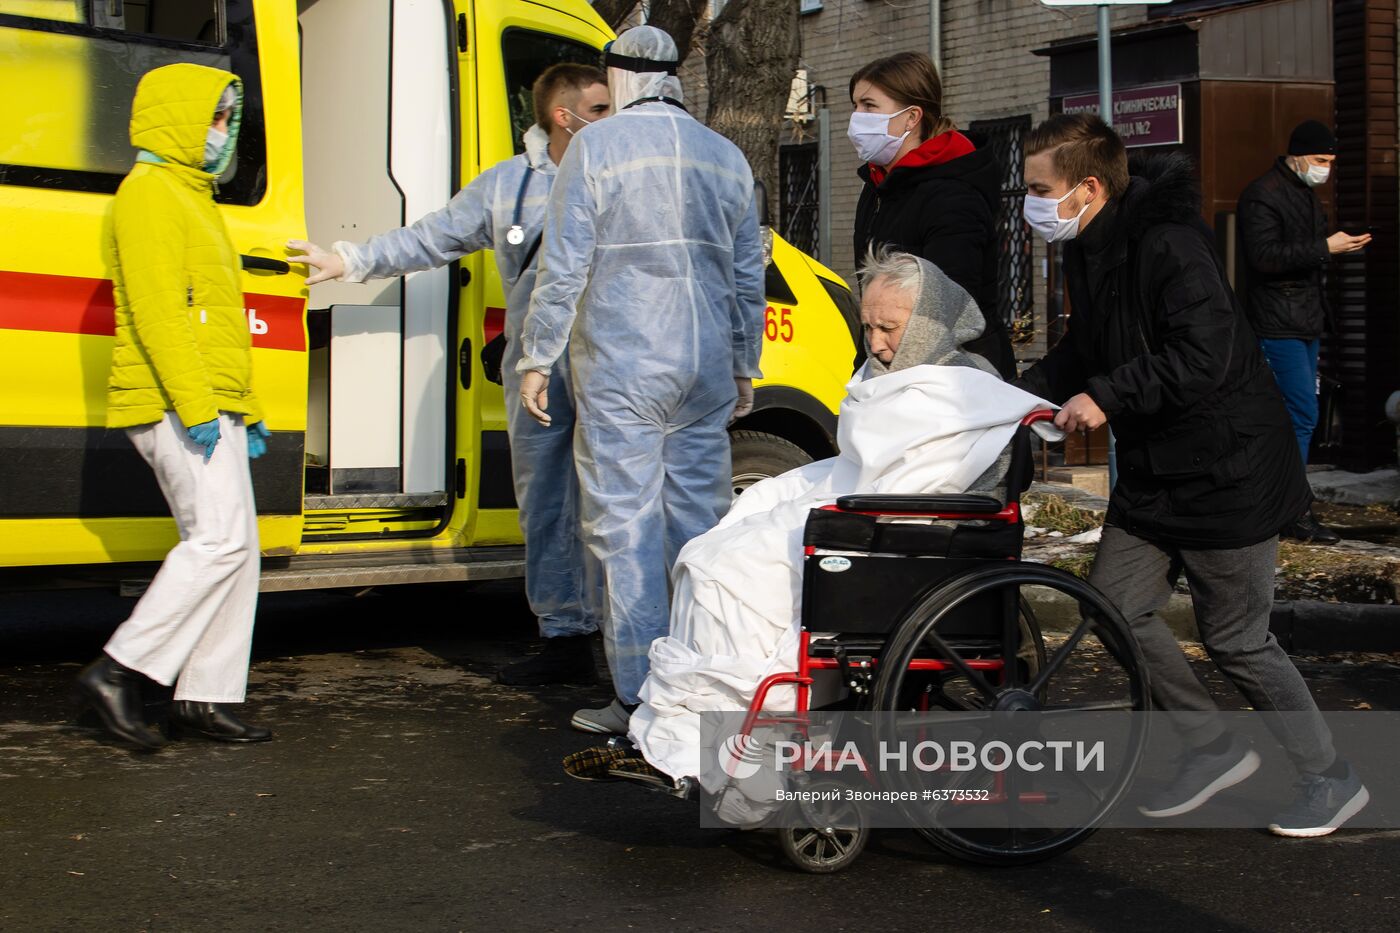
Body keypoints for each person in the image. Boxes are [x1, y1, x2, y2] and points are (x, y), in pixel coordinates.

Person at [561, 250, 1053, 790]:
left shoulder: (964, 391)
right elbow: (863, 465)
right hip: (870, 511)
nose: (876, 342)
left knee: (725, 572)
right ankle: (680, 732)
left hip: (907, 538)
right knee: (708, 550)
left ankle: (709, 744)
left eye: (889, 328)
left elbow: (920, 484)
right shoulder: (891, 372)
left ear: (929, 325)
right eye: (868, 326)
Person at [1015, 114, 1367, 838]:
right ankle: (1209, 747)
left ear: (1087, 187)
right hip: (1158, 470)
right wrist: (1024, 388)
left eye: (1038, 188)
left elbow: (1202, 355)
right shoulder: (1089, 245)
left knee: (1237, 636)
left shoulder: (1170, 244)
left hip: (1227, 466)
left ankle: (1331, 779)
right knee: (1113, 606)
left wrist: (1105, 395)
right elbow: (1090, 342)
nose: (1030, 203)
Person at [287, 64, 612, 686]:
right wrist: (348, 260)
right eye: (600, 109)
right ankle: (566, 639)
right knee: (545, 505)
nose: (613, 119)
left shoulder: (625, 177)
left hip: (614, 368)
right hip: (538, 373)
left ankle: (632, 639)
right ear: (563, 116)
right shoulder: (508, 188)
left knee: (615, 505)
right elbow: (431, 238)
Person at [516, 26, 766, 735]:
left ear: (619, 78)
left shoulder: (597, 147)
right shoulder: (726, 157)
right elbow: (748, 273)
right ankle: (704, 682)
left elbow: (566, 264)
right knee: (699, 528)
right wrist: (744, 361)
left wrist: (539, 356)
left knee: (623, 529)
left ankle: (638, 696)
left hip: (625, 366)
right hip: (705, 367)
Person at [75, 64, 272, 750]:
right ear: (175, 118)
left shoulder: (191, 195)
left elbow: (210, 318)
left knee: (240, 550)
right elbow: (162, 316)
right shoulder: (150, 193)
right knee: (216, 540)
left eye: (228, 120)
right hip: (172, 398)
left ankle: (204, 696)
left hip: (209, 398)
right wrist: (196, 407)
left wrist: (242, 407)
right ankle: (118, 668)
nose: (224, 134)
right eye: (214, 119)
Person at [1238, 120, 1370, 544]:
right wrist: (1325, 248)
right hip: (1278, 322)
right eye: (1319, 160)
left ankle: (1284, 506)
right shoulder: (1263, 195)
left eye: (1330, 161)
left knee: (1297, 415)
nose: (1325, 168)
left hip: (1303, 319)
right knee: (1299, 415)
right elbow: (1263, 257)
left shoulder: (1301, 194)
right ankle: (1289, 510)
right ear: (1296, 155)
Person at [848, 51, 1016, 381]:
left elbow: (948, 307)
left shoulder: (953, 195)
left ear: (912, 118)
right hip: (892, 368)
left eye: (869, 106)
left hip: (954, 380)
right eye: (854, 106)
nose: (856, 118)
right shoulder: (878, 186)